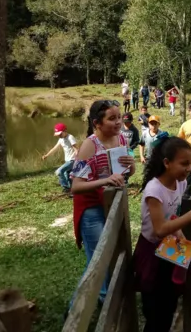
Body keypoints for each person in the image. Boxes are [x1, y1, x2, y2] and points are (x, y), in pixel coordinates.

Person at [132, 136, 191, 332]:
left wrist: (180, 232)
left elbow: (171, 215)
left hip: (170, 246)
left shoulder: (179, 183)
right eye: (184, 164)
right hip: (152, 252)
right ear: (167, 163)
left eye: (190, 163)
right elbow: (159, 229)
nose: (189, 168)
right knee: (155, 311)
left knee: (170, 300)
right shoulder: (154, 190)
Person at [68, 100, 135, 308]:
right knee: (97, 261)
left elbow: (126, 174)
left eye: (119, 117)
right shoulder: (89, 145)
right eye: (112, 118)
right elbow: (76, 186)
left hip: (112, 204)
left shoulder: (121, 138)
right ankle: (74, 311)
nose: (118, 122)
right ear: (97, 123)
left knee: (112, 252)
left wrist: (131, 167)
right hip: (91, 210)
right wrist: (105, 180)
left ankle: (105, 297)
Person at [41, 123, 78, 194]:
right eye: (58, 135)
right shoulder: (61, 139)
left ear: (65, 131)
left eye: (60, 134)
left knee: (59, 171)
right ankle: (71, 190)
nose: (59, 136)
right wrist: (46, 155)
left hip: (72, 160)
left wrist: (78, 159)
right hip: (67, 160)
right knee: (67, 175)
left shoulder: (70, 137)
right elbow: (55, 148)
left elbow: (76, 148)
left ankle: (66, 187)